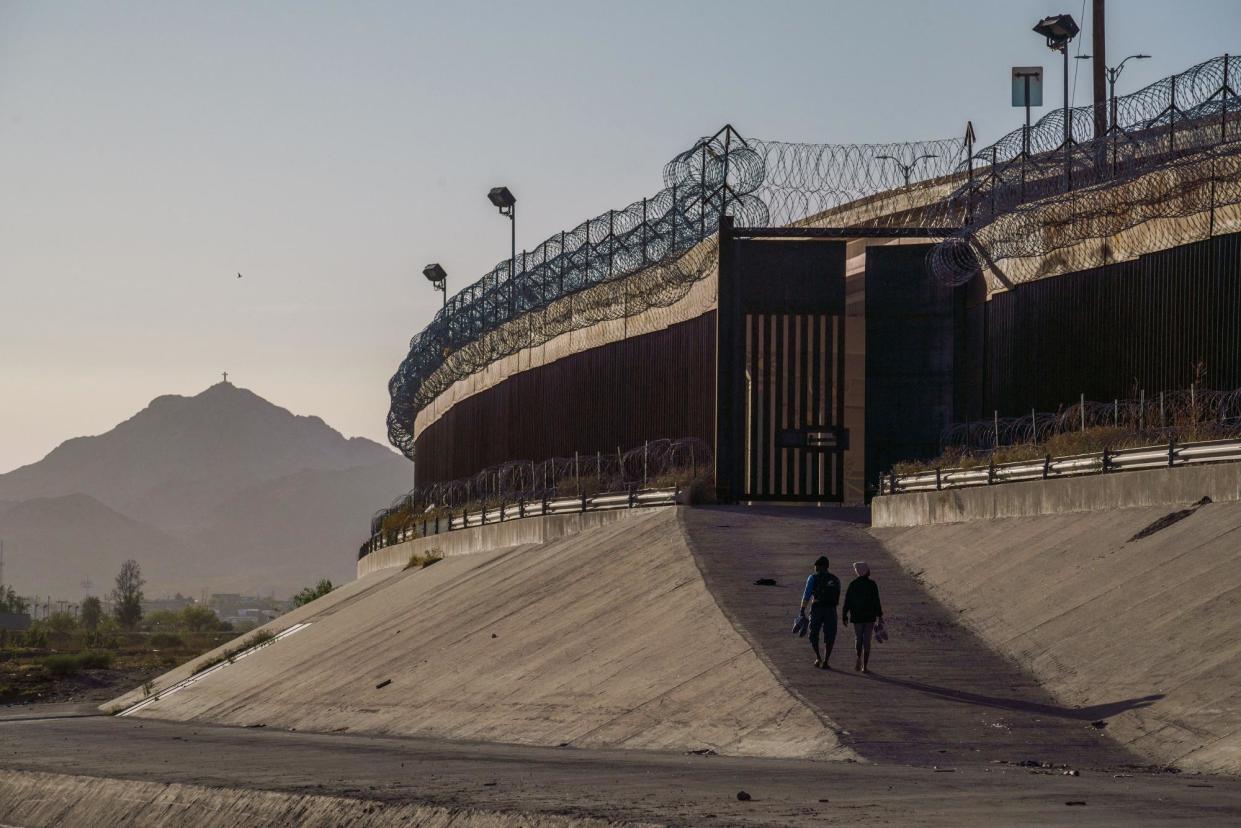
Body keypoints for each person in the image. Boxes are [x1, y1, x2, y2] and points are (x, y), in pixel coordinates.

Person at [798, 555, 841, 670]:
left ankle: (818, 657)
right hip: (831, 610)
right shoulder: (835, 579)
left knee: (813, 634)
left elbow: (807, 595)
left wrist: (802, 610)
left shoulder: (812, 578)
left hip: (817, 608)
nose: (815, 569)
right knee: (830, 635)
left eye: (816, 567)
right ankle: (826, 661)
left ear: (821, 567)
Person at [842, 561, 883, 673]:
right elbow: (876, 601)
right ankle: (865, 666)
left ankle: (858, 658)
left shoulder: (853, 584)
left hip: (857, 617)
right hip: (869, 617)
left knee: (858, 638)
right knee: (867, 641)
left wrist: (844, 615)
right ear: (866, 571)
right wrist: (880, 616)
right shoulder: (872, 584)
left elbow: (847, 601)